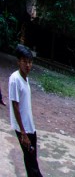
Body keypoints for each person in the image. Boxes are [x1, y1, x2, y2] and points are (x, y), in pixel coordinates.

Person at [9, 44, 43, 176]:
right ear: (19, 62)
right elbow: (15, 106)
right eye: (25, 62)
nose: (28, 65)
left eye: (30, 62)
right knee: (32, 163)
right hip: (24, 129)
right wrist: (23, 133)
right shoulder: (15, 79)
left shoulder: (25, 78)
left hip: (30, 126)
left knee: (31, 160)